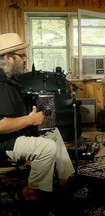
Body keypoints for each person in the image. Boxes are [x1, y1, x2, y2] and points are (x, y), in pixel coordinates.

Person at [0, 33, 75, 201]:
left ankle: (64, 176)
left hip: (16, 134)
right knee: (46, 147)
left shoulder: (9, 80)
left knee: (52, 131)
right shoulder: (1, 84)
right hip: (5, 143)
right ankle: (30, 189)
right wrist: (30, 120)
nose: (25, 60)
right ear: (8, 57)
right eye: (22, 56)